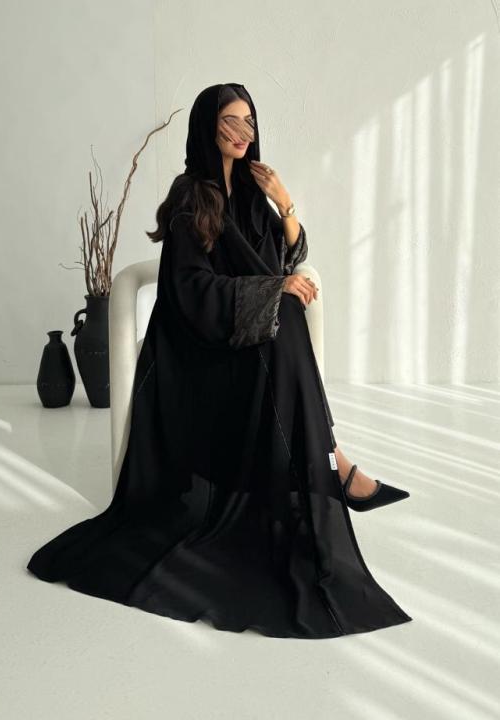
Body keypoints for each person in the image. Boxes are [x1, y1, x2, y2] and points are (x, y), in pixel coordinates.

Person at [26, 82, 413, 639]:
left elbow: (283, 260)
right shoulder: (192, 194)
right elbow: (189, 288)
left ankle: (332, 459)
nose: (242, 132)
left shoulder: (254, 193)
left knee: (286, 314)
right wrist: (272, 292)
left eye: (249, 121)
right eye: (230, 121)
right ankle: (334, 461)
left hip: (243, 333)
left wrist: (285, 202)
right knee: (284, 315)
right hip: (197, 344)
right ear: (208, 128)